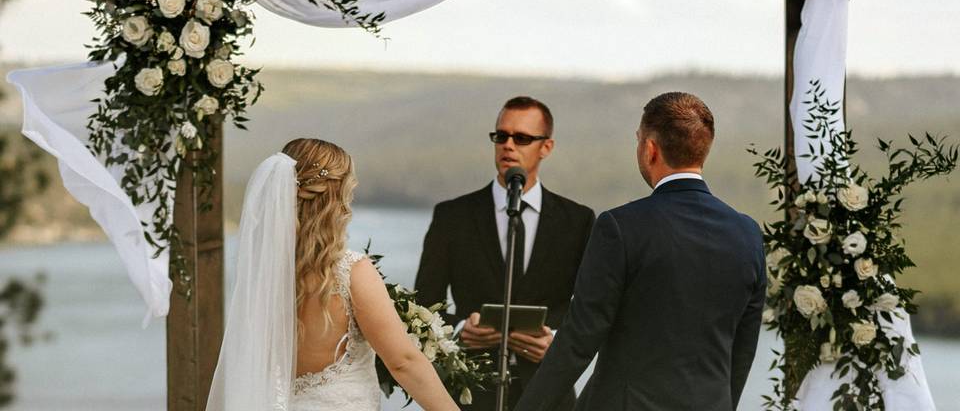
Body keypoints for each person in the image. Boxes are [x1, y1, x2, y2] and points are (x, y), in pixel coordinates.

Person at [514, 92, 765, 411]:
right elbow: (743, 350)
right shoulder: (748, 235)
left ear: (650, 149)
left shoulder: (619, 227)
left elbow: (579, 339)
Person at [206, 138, 459, 411]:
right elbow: (403, 362)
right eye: (348, 191)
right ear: (334, 199)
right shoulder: (352, 272)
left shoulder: (263, 279)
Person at [415, 96, 595, 410]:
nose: (508, 145)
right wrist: (459, 331)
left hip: (548, 393)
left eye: (522, 138)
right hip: (469, 391)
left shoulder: (578, 220)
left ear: (546, 147)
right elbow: (425, 303)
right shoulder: (452, 216)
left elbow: (590, 308)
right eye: (501, 136)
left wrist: (553, 338)